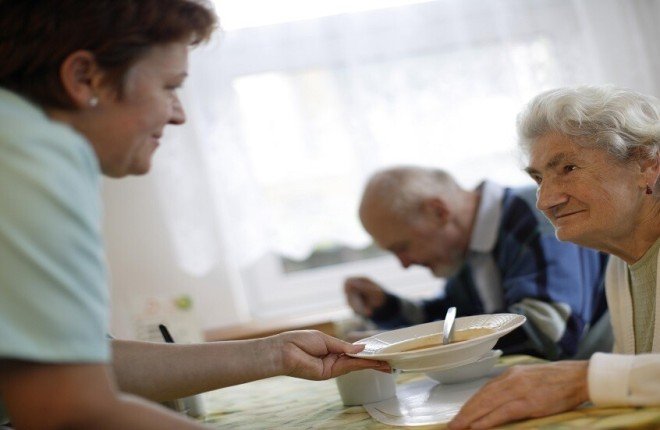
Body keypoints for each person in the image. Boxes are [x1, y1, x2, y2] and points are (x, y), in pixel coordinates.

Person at [0, 1, 388, 428]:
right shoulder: (32, 156)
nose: (179, 113)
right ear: (83, 78)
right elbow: (73, 409)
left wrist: (276, 353)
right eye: (170, 86)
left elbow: (83, 368)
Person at [449, 85, 660, 429]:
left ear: (647, 165)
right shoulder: (620, 264)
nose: (544, 201)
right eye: (538, 178)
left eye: (568, 168)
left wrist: (583, 379)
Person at [344, 166, 611, 360]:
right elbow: (453, 322)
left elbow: (550, 333)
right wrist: (386, 306)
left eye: (402, 247)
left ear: (438, 211)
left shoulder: (535, 215)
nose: (404, 264)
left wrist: (413, 346)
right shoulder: (468, 250)